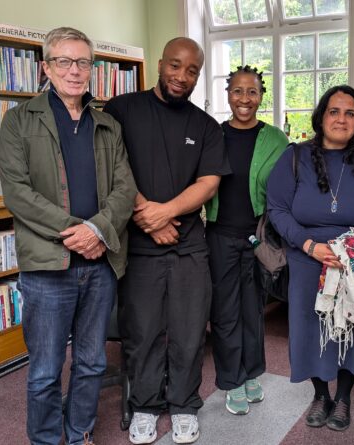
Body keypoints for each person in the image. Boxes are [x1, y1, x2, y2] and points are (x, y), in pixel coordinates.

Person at [0, 27, 137, 445]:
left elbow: (125, 188)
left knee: (92, 362)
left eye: (83, 62)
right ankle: (45, 440)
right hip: (47, 266)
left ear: (91, 68)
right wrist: (76, 230)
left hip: (100, 263)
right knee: (44, 370)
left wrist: (97, 230)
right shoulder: (18, 120)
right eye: (64, 61)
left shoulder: (107, 124)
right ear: (46, 67)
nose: (74, 70)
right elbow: (17, 193)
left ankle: (80, 435)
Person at [102, 37, 229, 445]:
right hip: (138, 248)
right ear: (160, 64)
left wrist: (166, 211)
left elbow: (208, 183)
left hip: (189, 246)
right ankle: (144, 405)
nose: (181, 76)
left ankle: (184, 406)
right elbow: (113, 168)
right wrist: (148, 216)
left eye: (192, 70)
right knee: (142, 332)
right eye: (175, 65)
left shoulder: (206, 126)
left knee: (190, 332)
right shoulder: (121, 110)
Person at [267, 85, 354, 432]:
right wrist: (309, 245)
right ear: (321, 117)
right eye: (334, 111)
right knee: (310, 329)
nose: (341, 119)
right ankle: (321, 394)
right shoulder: (294, 157)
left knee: (352, 330)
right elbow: (277, 209)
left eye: (350, 113)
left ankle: (343, 398)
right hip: (307, 258)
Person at [203, 65, 289, 415]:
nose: (244, 98)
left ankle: (252, 373)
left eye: (252, 91)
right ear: (228, 94)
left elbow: (288, 188)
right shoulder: (213, 135)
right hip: (220, 236)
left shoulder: (276, 140)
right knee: (225, 313)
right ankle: (231, 380)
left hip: (259, 238)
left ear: (261, 96)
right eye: (237, 91)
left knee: (254, 311)